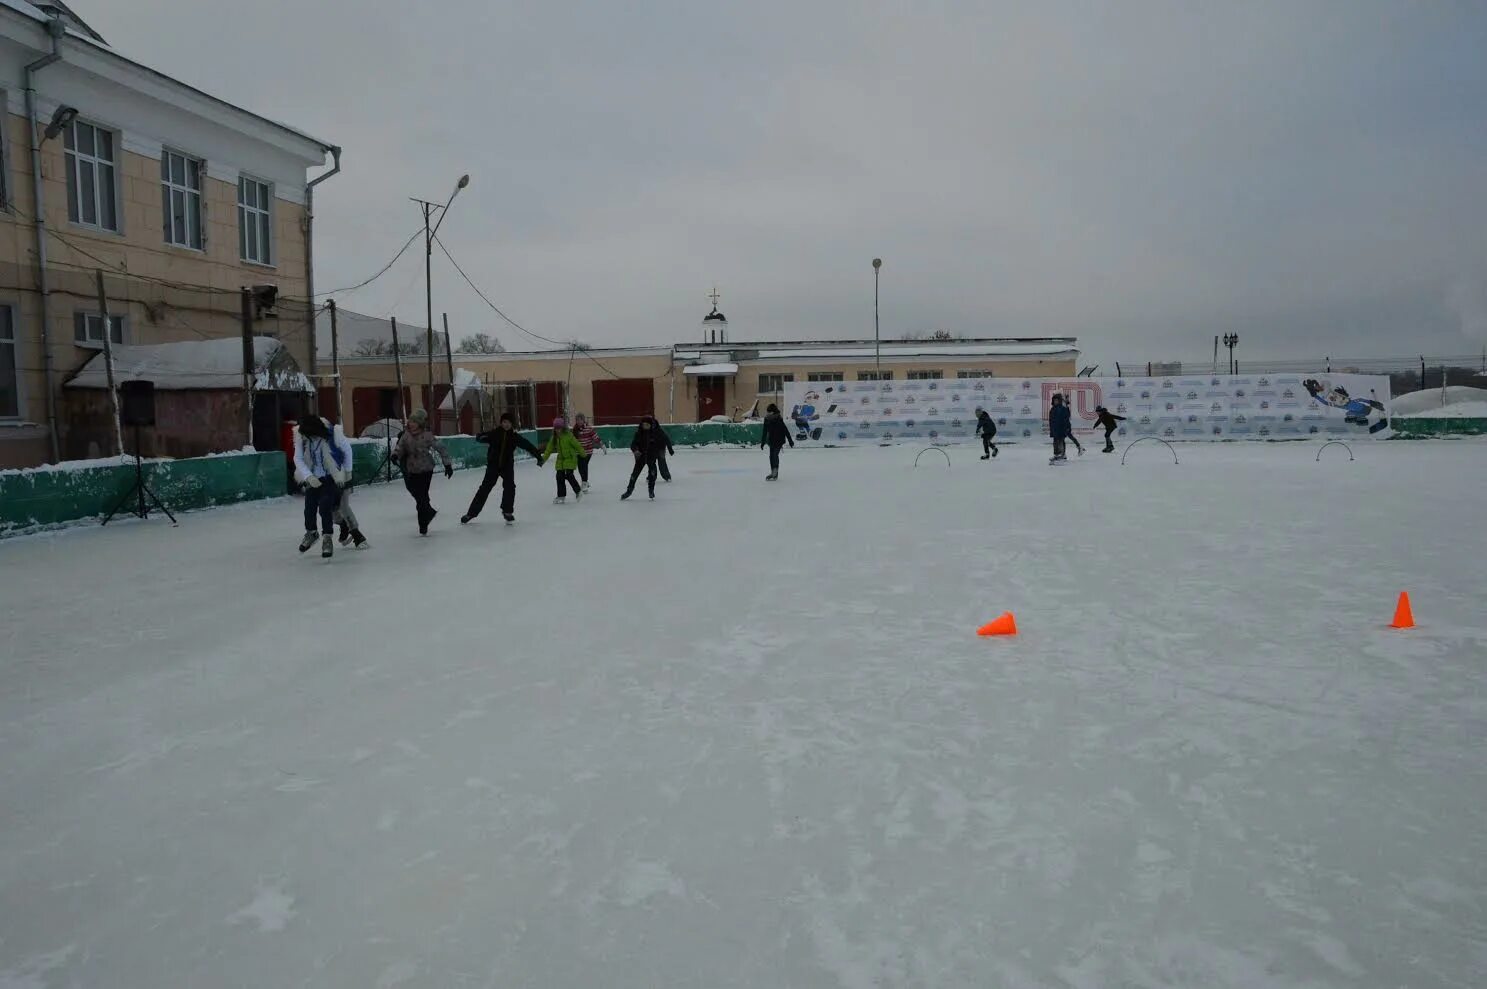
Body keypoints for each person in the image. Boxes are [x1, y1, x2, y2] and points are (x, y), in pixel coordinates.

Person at [292, 414, 354, 558]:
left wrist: (348, 471)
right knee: (309, 508)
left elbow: (347, 450)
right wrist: (309, 476)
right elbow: (298, 458)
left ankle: (327, 537)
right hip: (313, 479)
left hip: (331, 478)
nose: (310, 438)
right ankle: (311, 533)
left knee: (325, 506)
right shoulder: (302, 438)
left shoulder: (333, 435)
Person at [463, 411, 540, 525]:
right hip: (493, 466)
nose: (506, 424)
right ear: (501, 423)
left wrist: (538, 456)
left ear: (512, 424)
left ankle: (507, 511)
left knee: (510, 487)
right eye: (504, 422)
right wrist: (480, 437)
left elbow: (527, 445)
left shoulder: (514, 437)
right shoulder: (495, 433)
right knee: (484, 488)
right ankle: (471, 513)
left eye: (509, 422)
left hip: (507, 466)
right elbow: (482, 437)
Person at [393, 408, 453, 534]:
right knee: (418, 495)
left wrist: (447, 465)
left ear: (420, 423)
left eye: (414, 421)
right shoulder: (406, 435)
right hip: (412, 469)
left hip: (426, 469)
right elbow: (400, 447)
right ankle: (429, 513)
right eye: (410, 421)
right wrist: (395, 455)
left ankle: (423, 525)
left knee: (422, 496)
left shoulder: (427, 435)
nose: (411, 424)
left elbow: (441, 448)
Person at [539, 417, 586, 503]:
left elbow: (577, 445)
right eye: (556, 428)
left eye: (559, 428)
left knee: (569, 475)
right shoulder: (554, 438)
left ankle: (578, 491)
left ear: (563, 428)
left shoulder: (569, 436)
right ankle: (561, 496)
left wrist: (583, 454)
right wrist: (542, 460)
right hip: (561, 460)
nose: (558, 430)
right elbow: (548, 450)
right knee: (559, 476)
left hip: (570, 458)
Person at [622, 416, 668, 500]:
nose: (645, 426)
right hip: (640, 458)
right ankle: (629, 490)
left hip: (651, 458)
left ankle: (651, 491)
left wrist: (661, 452)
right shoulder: (638, 434)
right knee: (634, 475)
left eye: (647, 425)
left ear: (651, 425)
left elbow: (662, 443)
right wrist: (635, 450)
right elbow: (633, 444)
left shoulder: (654, 434)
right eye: (644, 425)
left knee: (652, 475)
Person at [760, 403, 793, 480]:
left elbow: (785, 430)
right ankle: (773, 472)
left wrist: (790, 440)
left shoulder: (778, 418)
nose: (768, 413)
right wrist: (763, 442)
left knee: (775, 455)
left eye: (769, 412)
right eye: (767, 412)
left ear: (773, 412)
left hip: (779, 440)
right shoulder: (767, 419)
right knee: (771, 456)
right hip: (771, 440)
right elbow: (765, 431)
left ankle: (775, 473)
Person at [572, 413, 604, 490]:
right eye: (577, 420)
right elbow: (572, 440)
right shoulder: (575, 430)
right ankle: (585, 481)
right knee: (580, 467)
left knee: (584, 466)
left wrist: (602, 445)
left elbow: (595, 437)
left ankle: (584, 483)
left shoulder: (589, 429)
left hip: (588, 451)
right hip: (578, 452)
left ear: (583, 420)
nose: (579, 422)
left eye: (580, 420)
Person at [1048, 393, 1072, 463]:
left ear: (1059, 401)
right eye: (1054, 400)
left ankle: (1062, 455)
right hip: (1055, 429)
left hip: (1062, 429)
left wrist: (1067, 427)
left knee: (1061, 442)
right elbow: (1051, 420)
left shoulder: (1063, 408)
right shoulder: (1052, 409)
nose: (1055, 402)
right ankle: (1056, 454)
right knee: (1055, 442)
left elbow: (1067, 418)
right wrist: (1052, 429)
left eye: (1057, 400)